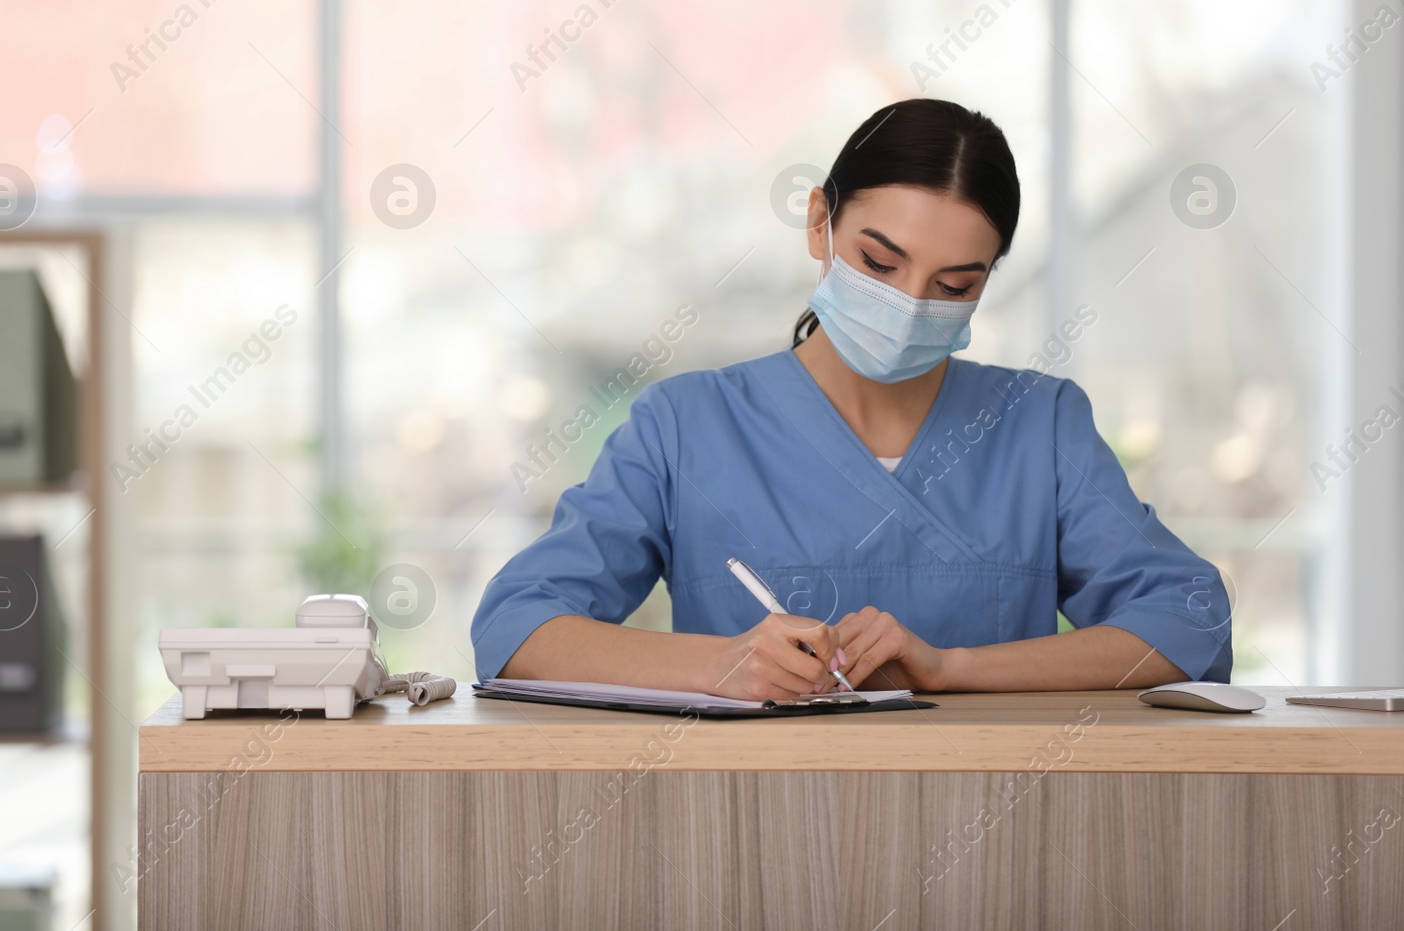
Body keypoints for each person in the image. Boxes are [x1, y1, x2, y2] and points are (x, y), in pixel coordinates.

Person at [471, 99, 1231, 701]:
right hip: (747, 840)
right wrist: (718, 665)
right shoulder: (684, 428)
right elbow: (517, 628)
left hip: (1003, 841)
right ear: (819, 223)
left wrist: (950, 668)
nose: (908, 303)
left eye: (953, 285)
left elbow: (1188, 625)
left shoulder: (1040, 426)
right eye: (879, 260)